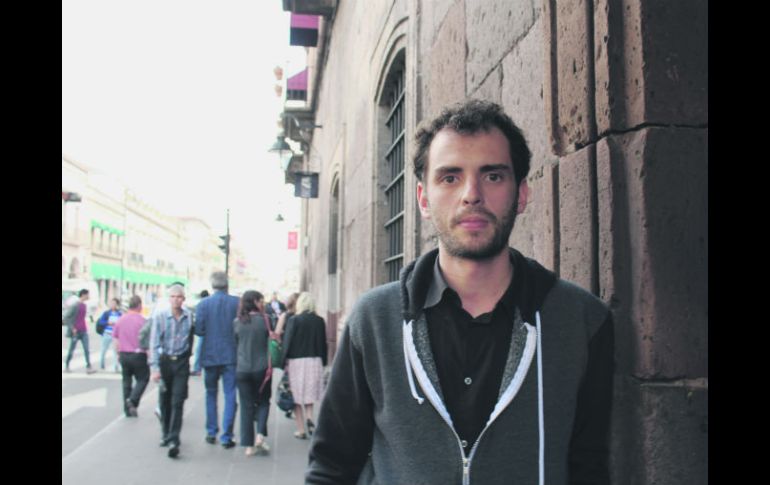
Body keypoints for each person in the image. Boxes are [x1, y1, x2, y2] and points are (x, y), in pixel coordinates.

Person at [306, 99, 614, 484]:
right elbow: (331, 466)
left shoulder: (582, 321)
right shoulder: (373, 321)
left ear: (521, 194)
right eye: (450, 177)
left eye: (493, 176)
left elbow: (591, 468)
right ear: (423, 199)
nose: (471, 194)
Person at [194, 271, 240, 448]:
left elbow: (199, 330)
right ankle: (226, 436)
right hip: (231, 355)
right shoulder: (236, 303)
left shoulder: (203, 304)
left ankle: (211, 431)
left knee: (211, 394)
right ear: (227, 284)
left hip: (210, 355)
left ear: (212, 285)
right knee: (230, 394)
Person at [149, 284, 194, 459]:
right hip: (165, 361)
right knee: (165, 400)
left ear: (183, 299)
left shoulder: (189, 317)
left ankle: (174, 438)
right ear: (169, 299)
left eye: (179, 297)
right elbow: (154, 343)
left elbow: (192, 338)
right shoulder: (161, 317)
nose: (176, 300)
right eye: (173, 297)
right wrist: (155, 368)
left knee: (178, 400)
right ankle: (165, 433)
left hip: (181, 363)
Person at [233, 290, 273, 456]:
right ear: (255, 302)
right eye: (261, 301)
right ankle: (260, 435)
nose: (263, 304)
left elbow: (236, 343)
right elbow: (271, 341)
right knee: (263, 401)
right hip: (262, 369)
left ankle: (248, 445)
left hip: (242, 369)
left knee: (246, 405)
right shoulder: (265, 320)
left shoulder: (237, 322)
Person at [282, 292, 327, 439]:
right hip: (314, 361)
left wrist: (283, 361)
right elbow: (323, 343)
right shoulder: (320, 321)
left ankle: (301, 430)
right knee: (309, 393)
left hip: (296, 362)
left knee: (296, 396)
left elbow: (287, 342)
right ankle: (309, 418)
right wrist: (323, 362)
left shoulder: (294, 320)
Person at [112, 295, 149, 417]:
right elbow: (147, 340)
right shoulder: (143, 321)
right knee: (143, 379)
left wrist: (118, 353)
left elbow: (115, 339)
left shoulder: (121, 320)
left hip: (124, 354)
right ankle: (132, 400)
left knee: (126, 382)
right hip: (139, 354)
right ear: (139, 306)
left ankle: (127, 410)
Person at [64, 289, 97, 374]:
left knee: (86, 349)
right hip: (76, 331)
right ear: (83, 295)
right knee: (72, 349)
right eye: (87, 294)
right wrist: (72, 328)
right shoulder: (75, 305)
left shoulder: (84, 305)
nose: (88, 296)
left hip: (83, 330)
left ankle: (89, 367)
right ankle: (67, 365)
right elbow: (66, 317)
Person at [96, 298, 123, 372]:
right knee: (103, 350)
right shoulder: (106, 313)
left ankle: (116, 366)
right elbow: (101, 321)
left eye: (114, 303)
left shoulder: (119, 314)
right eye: (111, 303)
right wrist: (107, 322)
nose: (112, 305)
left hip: (115, 335)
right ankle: (102, 364)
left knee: (115, 351)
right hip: (107, 333)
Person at [190, 289, 210, 376]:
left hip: (203, 331)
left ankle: (197, 368)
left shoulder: (201, 304)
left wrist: (198, 331)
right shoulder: (210, 303)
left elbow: (199, 320)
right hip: (211, 331)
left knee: (199, 350)